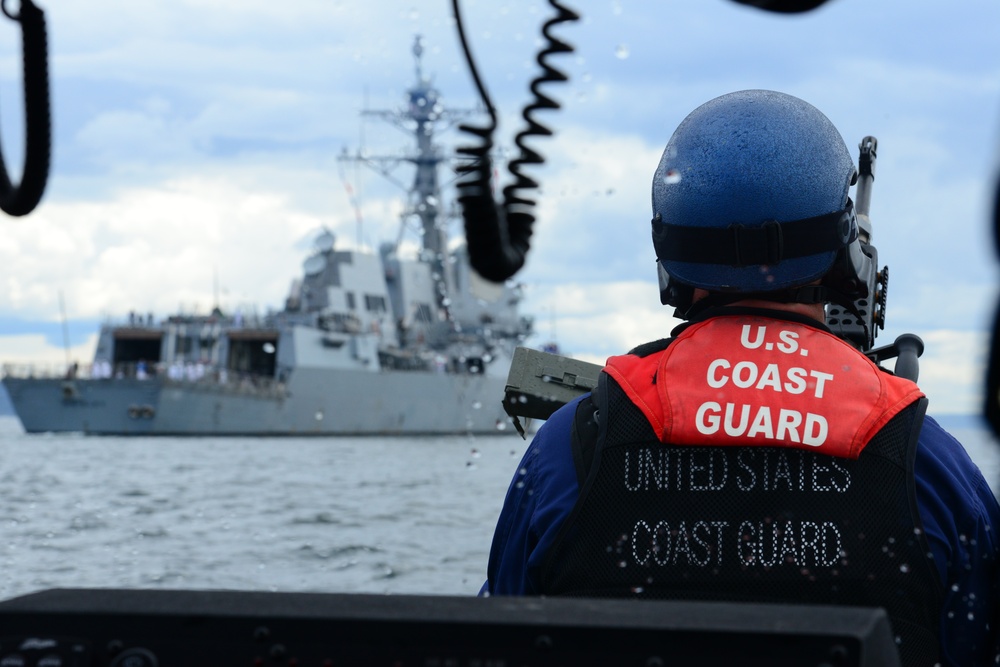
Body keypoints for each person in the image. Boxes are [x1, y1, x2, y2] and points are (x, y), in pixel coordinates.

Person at [481, 90, 1000, 667]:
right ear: (846, 255)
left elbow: (498, 631)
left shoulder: (570, 446)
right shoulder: (927, 463)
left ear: (669, 251)